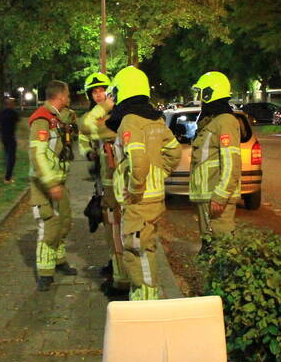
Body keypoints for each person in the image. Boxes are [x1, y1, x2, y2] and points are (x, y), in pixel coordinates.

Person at [107, 66, 181, 301]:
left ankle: (147, 303)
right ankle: (144, 298)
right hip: (155, 198)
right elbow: (174, 151)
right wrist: (159, 174)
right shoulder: (156, 120)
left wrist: (135, 190)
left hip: (139, 201)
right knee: (146, 247)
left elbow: (137, 159)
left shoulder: (130, 121)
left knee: (137, 251)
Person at [78, 71, 128, 294]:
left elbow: (89, 127)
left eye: (101, 91)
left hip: (117, 177)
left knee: (116, 221)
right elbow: (83, 138)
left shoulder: (114, 113)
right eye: (94, 92)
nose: (98, 95)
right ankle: (115, 263)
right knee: (109, 222)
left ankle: (121, 271)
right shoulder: (94, 114)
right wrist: (88, 152)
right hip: (102, 175)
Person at [28, 80, 77, 292]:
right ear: (60, 95)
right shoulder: (42, 120)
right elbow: (37, 155)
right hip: (44, 185)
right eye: (67, 94)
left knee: (64, 222)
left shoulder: (59, 117)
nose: (69, 97)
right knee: (48, 228)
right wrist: (50, 183)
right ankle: (44, 274)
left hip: (59, 182)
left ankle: (59, 261)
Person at [189, 71, 242, 251]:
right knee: (210, 247)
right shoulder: (211, 121)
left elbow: (231, 163)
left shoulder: (225, 121)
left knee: (223, 249)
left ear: (209, 94)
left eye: (201, 93)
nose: (199, 98)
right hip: (207, 196)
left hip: (216, 198)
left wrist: (220, 195)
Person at [0, 97, 20, 183]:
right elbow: (19, 123)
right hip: (11, 137)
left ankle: (7, 173)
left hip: (3, 137)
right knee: (12, 158)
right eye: (13, 103)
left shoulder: (1, 112)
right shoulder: (14, 113)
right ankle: (7, 178)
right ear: (11, 104)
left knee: (7, 155)